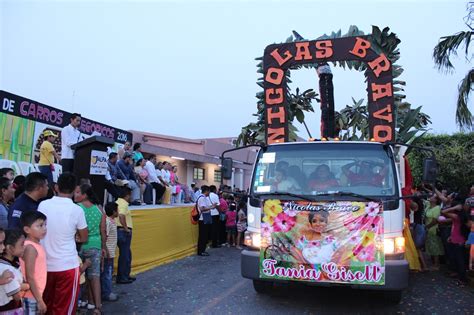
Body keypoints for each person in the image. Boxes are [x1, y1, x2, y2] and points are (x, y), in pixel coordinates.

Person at [39, 172, 88, 315]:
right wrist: (74, 237)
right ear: (74, 190)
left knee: (46, 307)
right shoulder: (77, 210)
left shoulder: (43, 205)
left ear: (56, 187)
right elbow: (84, 237)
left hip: (44, 266)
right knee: (64, 310)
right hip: (67, 266)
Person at [74, 184, 104, 313]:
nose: (75, 194)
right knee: (95, 277)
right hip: (95, 244)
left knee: (79, 275)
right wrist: (103, 247)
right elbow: (103, 230)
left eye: (77, 192)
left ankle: (79, 302)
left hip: (79, 245)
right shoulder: (99, 209)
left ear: (84, 195)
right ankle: (97, 306)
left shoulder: (77, 208)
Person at [20, 211, 48, 315]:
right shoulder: (30, 248)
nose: (44, 228)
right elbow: (30, 276)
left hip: (36, 294)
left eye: (45, 224)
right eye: (40, 225)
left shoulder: (36, 245)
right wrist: (39, 300)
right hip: (31, 295)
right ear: (27, 229)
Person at [0, 230, 30, 314]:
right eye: (22, 244)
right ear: (10, 248)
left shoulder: (15, 263)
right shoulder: (6, 269)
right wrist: (26, 286)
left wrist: (20, 286)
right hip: (8, 310)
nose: (24, 247)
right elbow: (17, 296)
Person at [115, 187, 136, 284]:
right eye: (130, 195)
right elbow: (121, 215)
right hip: (123, 231)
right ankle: (122, 277)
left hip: (119, 230)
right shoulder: (123, 203)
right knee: (125, 255)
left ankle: (125, 275)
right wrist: (126, 228)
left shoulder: (117, 202)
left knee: (126, 254)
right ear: (127, 195)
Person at [101, 202, 119, 302]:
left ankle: (106, 291)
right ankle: (106, 293)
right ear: (113, 211)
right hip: (108, 252)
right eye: (117, 210)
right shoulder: (107, 222)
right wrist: (106, 250)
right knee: (107, 273)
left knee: (108, 272)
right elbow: (105, 236)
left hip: (110, 252)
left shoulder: (111, 221)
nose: (118, 212)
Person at [424, 194, 444, 271]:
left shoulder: (437, 208)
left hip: (433, 229)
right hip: (428, 228)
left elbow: (435, 221)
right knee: (431, 246)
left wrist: (427, 227)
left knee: (435, 247)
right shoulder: (429, 206)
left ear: (436, 200)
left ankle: (436, 265)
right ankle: (434, 263)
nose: (430, 197)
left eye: (433, 197)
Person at [196, 185, 216, 256]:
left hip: (204, 218)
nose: (209, 193)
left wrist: (211, 207)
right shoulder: (202, 198)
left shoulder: (202, 197)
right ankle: (201, 251)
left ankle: (202, 250)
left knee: (204, 235)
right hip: (203, 218)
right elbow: (202, 208)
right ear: (207, 191)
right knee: (203, 236)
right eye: (209, 192)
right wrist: (211, 207)